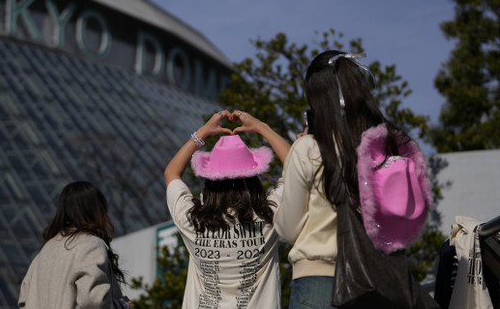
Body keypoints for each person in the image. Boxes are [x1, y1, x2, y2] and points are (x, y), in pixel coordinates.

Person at [274, 50, 429, 308]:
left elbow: (288, 229)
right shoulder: (387, 147)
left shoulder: (309, 149)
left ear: (316, 99)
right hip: (381, 284)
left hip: (319, 282)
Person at [164, 110, 290, 308]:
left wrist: (203, 133)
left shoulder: (193, 220)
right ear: (253, 179)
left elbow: (171, 173)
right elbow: (295, 167)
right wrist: (261, 128)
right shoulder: (267, 217)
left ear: (210, 180)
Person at [18, 181, 132, 308]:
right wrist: (122, 306)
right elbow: (94, 300)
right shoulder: (90, 244)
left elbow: (24, 301)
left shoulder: (44, 251)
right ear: (95, 210)